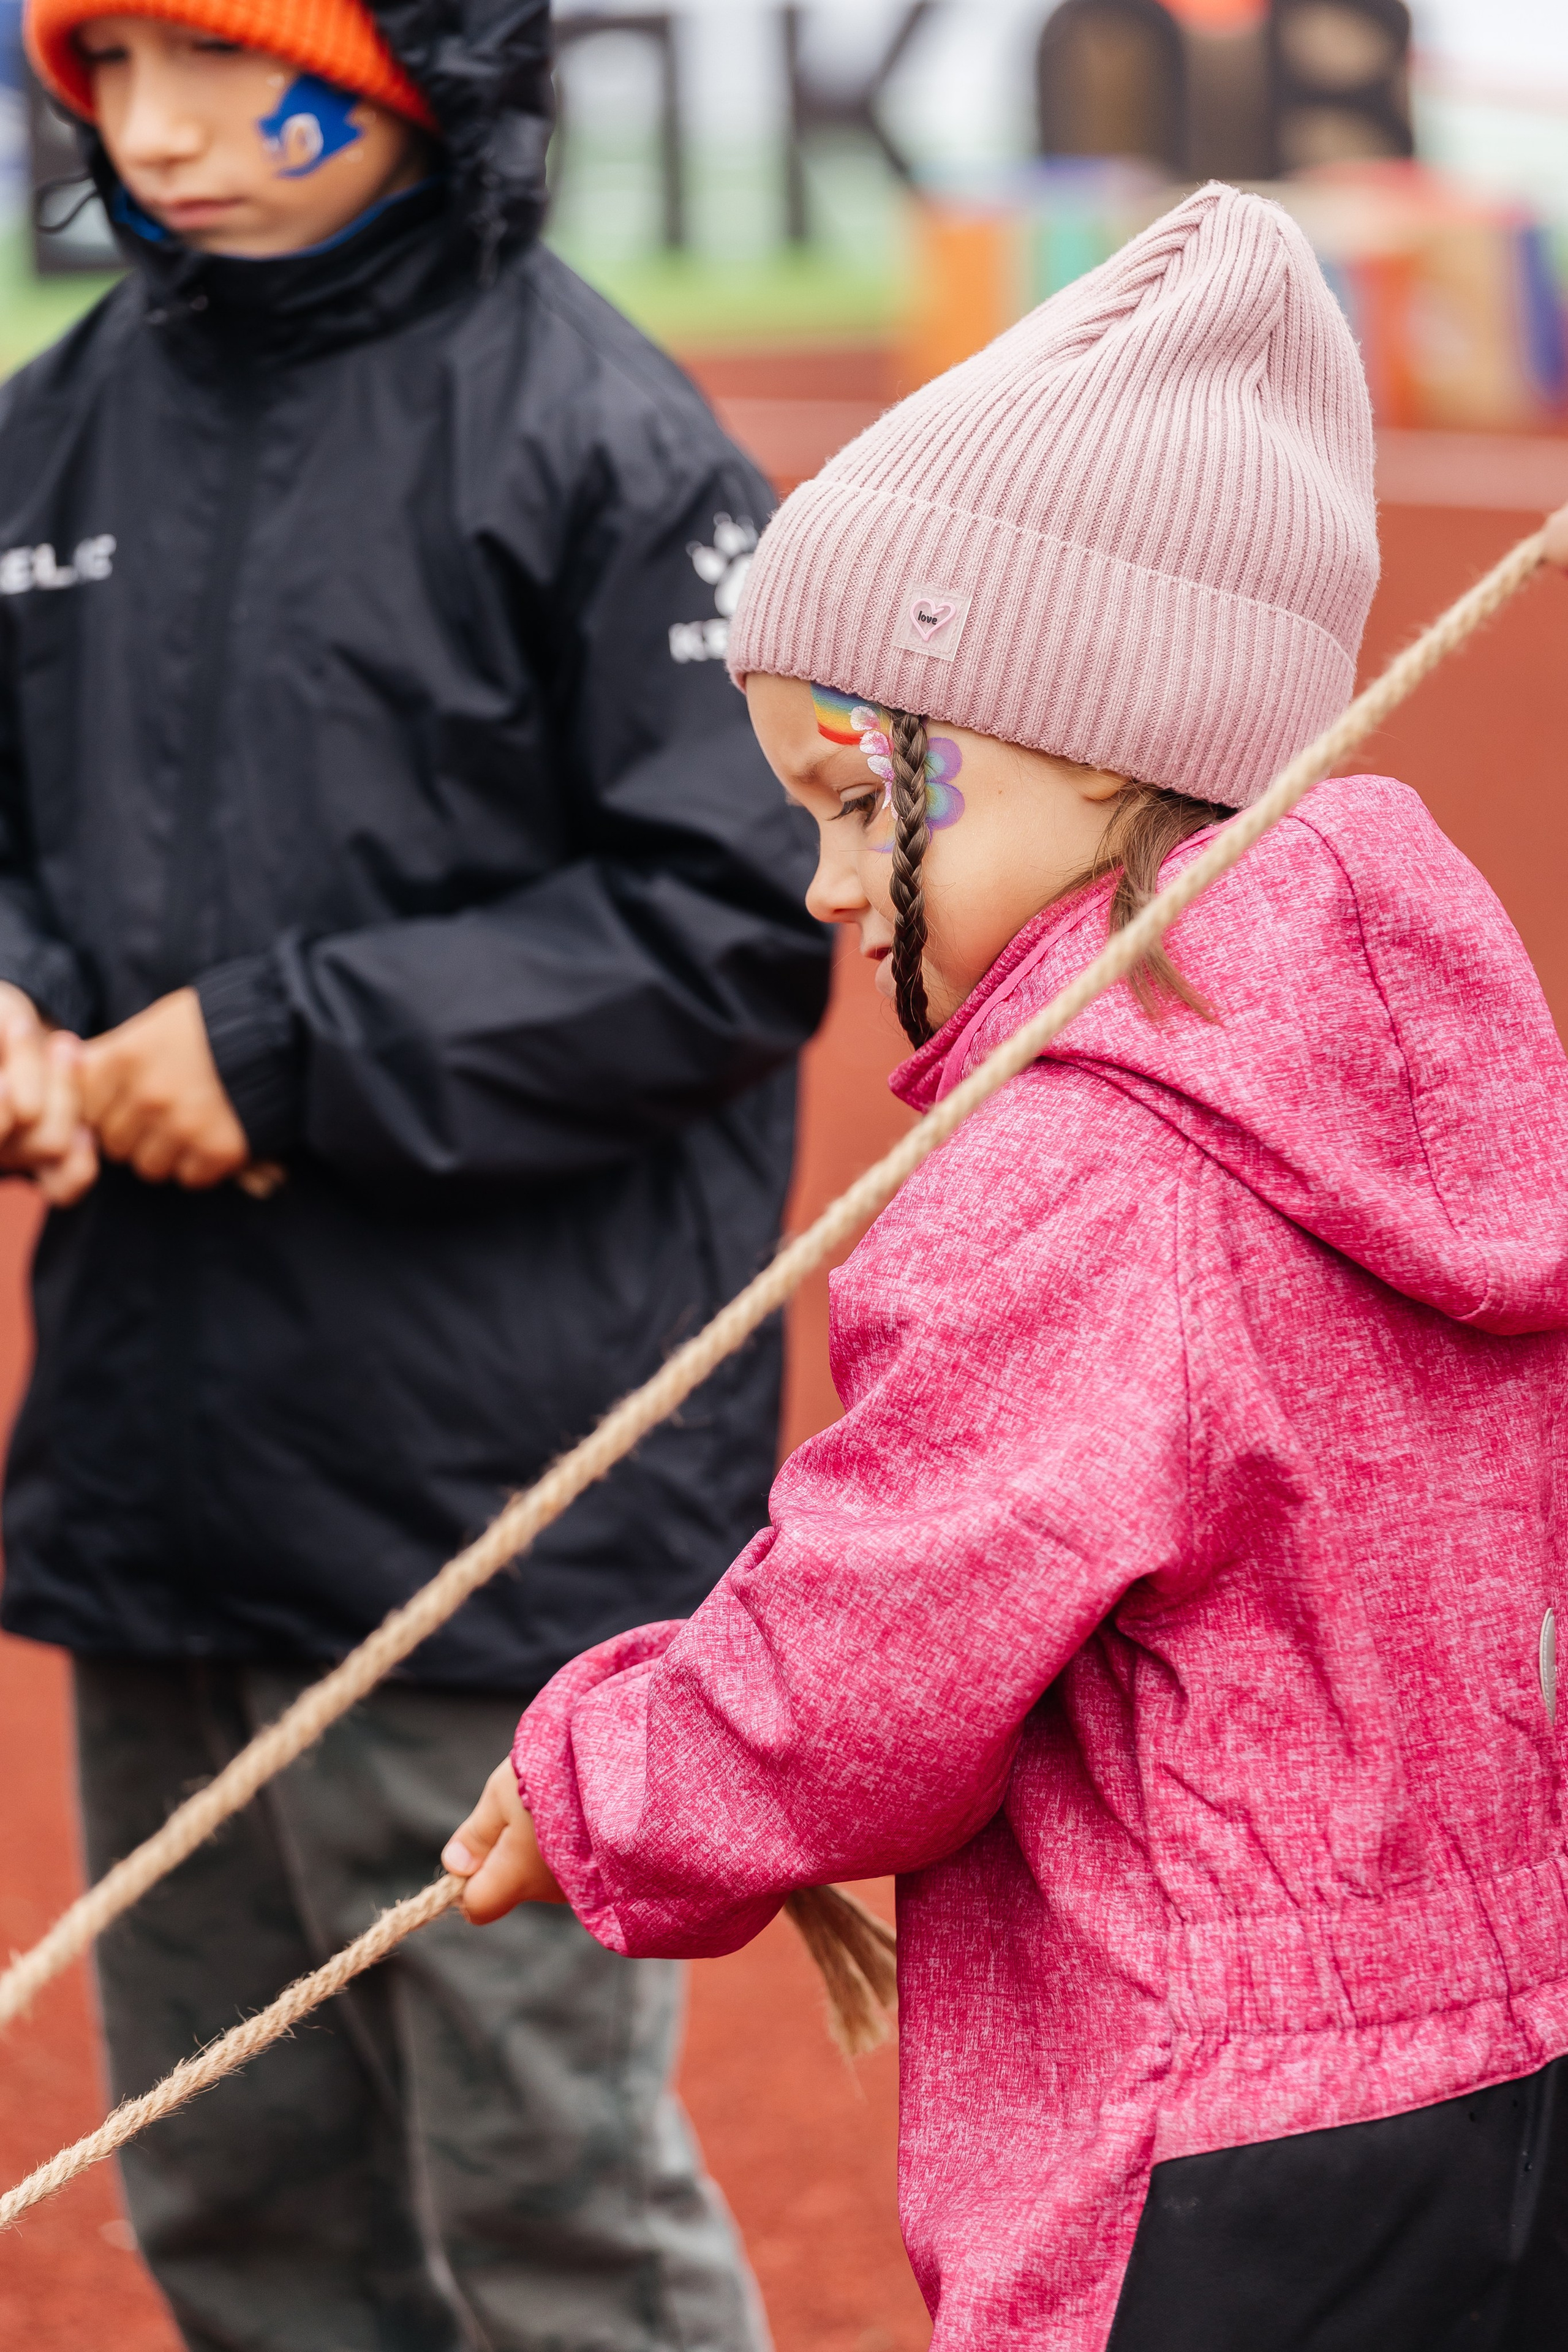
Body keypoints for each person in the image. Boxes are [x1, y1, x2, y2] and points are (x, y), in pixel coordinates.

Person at [444, 183, 1568, 2350]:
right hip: (1510, 2067)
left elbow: (878, 1666)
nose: (825, 885)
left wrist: (608, 1779)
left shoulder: (1079, 1166)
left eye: (865, 805)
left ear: (1090, 737)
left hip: (1214, 2143)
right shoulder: (1438, 1073)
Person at [1, 3, 831, 2346]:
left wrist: (285, 1053)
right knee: (233, 2189)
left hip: (491, 1509)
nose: (155, 128)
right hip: (164, 1484)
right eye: (105, 63)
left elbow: (735, 917)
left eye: (215, 52)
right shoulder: (51, 428)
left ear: (412, 61)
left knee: (547, 2201)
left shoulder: (603, 434)